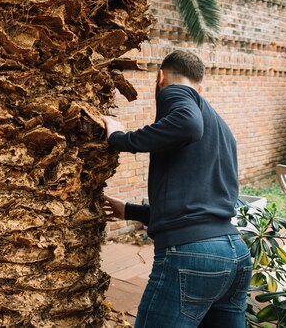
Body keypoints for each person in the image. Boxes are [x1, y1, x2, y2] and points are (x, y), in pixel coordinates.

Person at [101, 50, 252, 328]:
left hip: (192, 256)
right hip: (235, 254)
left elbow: (187, 125)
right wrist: (131, 211)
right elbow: (200, 205)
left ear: (160, 77)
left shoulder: (175, 91)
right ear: (201, 86)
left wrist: (119, 138)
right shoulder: (222, 129)